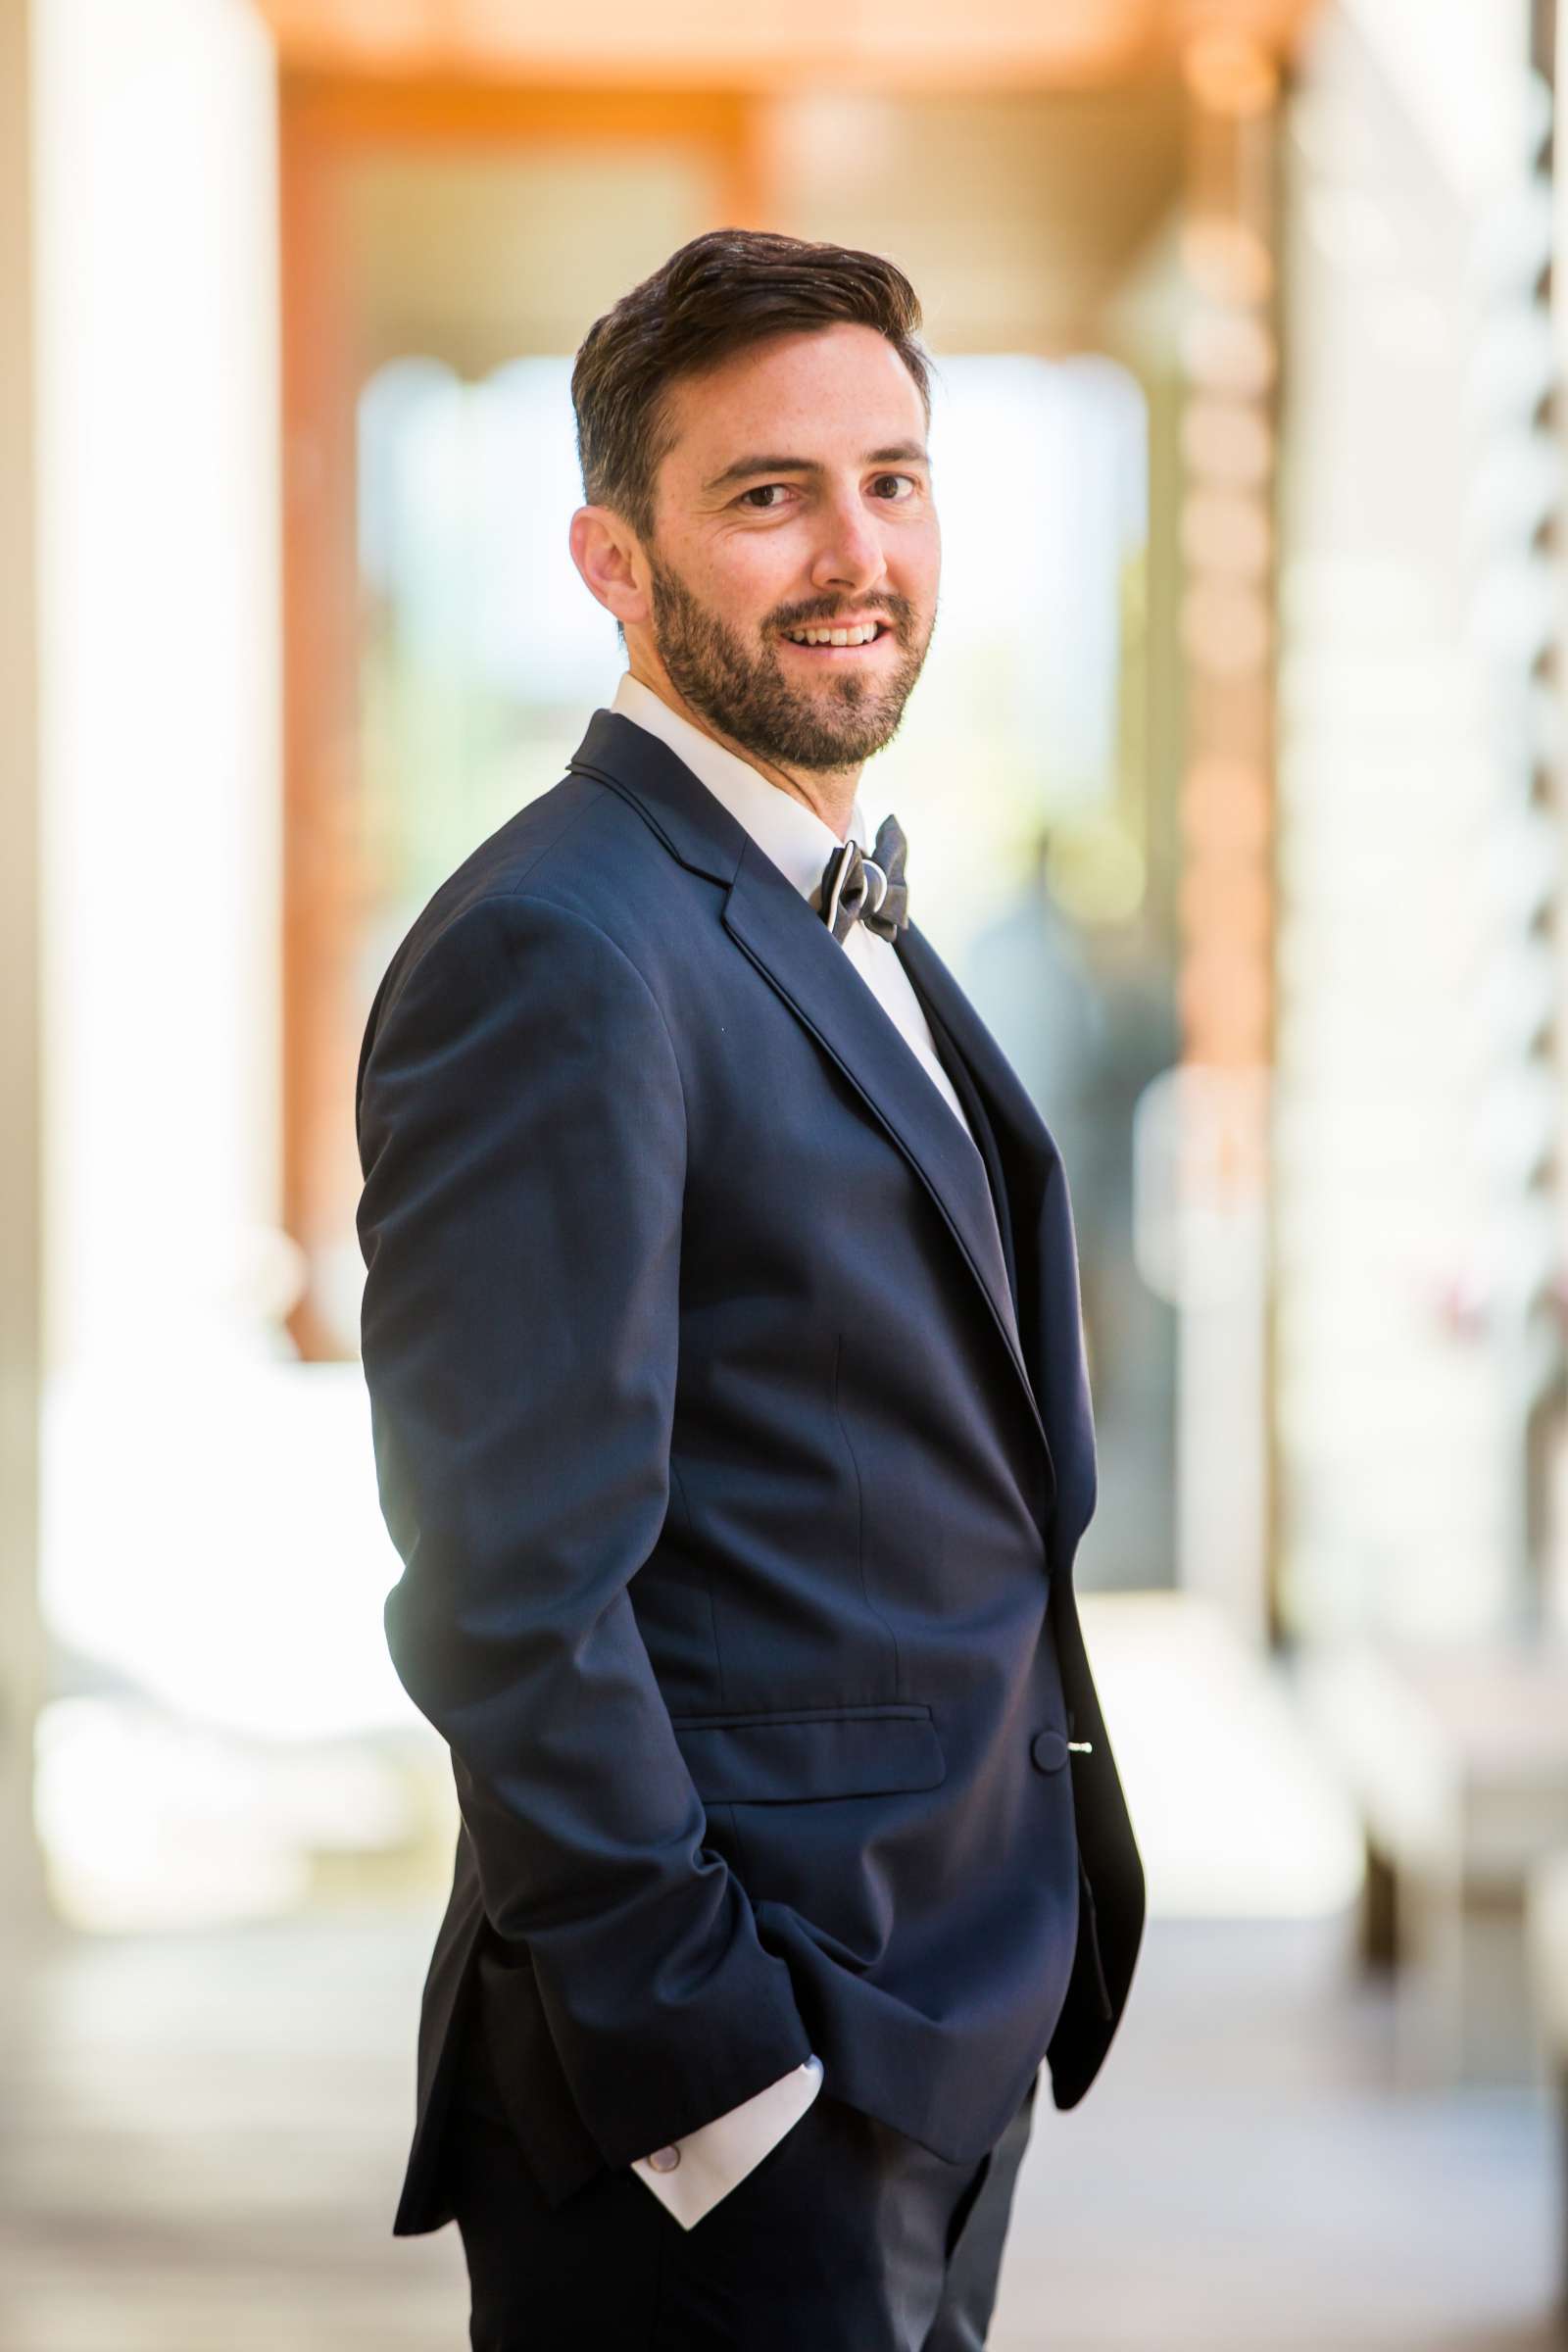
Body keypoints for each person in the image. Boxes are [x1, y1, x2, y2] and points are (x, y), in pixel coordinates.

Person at [355, 226, 1145, 2352]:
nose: (851, 551)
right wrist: (721, 2084)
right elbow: (508, 1594)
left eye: (890, 478)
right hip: (730, 2107)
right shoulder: (563, 950)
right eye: (766, 494)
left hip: (925, 2030)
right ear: (614, 562)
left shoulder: (820, 903)